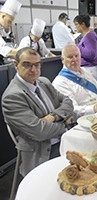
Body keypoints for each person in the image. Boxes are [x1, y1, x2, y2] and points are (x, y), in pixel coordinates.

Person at [2, 47, 75, 176]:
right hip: (42, 151)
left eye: (37, 64)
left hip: (64, 138)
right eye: (27, 65)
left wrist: (54, 116)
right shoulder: (12, 97)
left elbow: (68, 102)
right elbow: (40, 132)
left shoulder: (43, 82)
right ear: (16, 65)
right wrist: (64, 124)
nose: (33, 69)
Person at [52, 44, 97, 117]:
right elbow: (72, 109)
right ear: (62, 60)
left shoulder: (85, 71)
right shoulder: (60, 82)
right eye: (70, 57)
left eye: (77, 56)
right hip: (86, 118)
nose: (74, 59)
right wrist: (94, 108)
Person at [73, 14, 97, 84]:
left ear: (82, 24)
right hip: (90, 69)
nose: (75, 27)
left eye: (76, 24)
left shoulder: (90, 36)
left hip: (92, 69)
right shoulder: (87, 36)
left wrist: (78, 47)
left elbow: (91, 54)